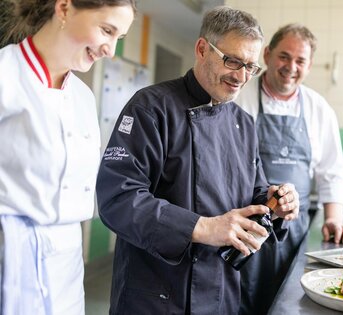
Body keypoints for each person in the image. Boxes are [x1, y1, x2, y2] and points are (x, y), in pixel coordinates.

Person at [96, 6, 300, 315]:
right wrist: (203, 228)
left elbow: (253, 194)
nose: (241, 76)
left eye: (250, 66)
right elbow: (118, 198)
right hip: (156, 297)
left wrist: (275, 203)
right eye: (232, 61)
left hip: (220, 296)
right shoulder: (150, 108)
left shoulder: (243, 123)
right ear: (202, 48)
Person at [0, 0, 135, 314]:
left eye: (120, 37)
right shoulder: (5, 75)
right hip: (10, 257)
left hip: (68, 267)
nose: (110, 50)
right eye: (106, 30)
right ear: (63, 8)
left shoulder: (83, 98)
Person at [235, 23, 343, 315]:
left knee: (289, 304)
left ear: (309, 66)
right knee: (239, 303)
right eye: (284, 56)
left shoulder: (319, 109)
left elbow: (332, 172)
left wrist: (333, 220)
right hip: (243, 229)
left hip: (294, 234)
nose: (291, 67)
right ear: (267, 55)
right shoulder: (239, 97)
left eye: (300, 60)